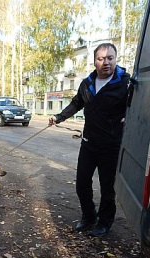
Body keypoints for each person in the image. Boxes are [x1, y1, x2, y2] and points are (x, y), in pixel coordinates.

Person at [49, 43, 131, 237]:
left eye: (110, 58)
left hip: (111, 145)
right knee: (82, 183)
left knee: (107, 188)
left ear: (116, 59)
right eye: (101, 59)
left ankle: (104, 222)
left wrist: (130, 116)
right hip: (89, 143)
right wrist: (59, 117)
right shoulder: (87, 83)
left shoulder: (125, 83)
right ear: (95, 61)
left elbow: (136, 106)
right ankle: (88, 216)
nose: (106, 62)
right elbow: (77, 103)